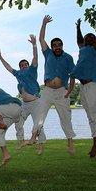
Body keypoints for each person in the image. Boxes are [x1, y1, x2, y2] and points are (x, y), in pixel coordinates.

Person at [28, 15, 77, 155]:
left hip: (62, 91)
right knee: (40, 114)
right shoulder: (47, 53)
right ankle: (33, 136)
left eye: (58, 45)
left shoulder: (68, 57)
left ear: (62, 46)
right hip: (47, 91)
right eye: (54, 45)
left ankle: (70, 142)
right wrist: (44, 24)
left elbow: (72, 75)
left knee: (65, 117)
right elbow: (41, 39)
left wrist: (70, 91)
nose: (56, 47)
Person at [0, 35, 46, 154]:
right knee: (18, 122)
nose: (23, 66)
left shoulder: (32, 70)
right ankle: (21, 141)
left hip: (35, 103)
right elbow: (8, 67)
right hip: (25, 104)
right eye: (21, 65)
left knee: (38, 124)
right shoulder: (18, 74)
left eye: (25, 64)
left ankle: (40, 145)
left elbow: (35, 58)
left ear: (28, 66)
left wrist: (34, 45)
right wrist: (0, 57)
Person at [72, 18, 96, 157]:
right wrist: (78, 28)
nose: (90, 38)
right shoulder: (83, 49)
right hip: (83, 86)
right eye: (87, 37)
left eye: (92, 37)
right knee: (90, 114)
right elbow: (79, 41)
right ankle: (95, 140)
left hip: (93, 83)